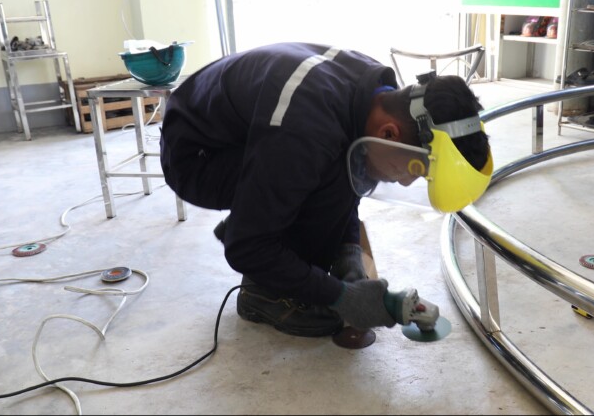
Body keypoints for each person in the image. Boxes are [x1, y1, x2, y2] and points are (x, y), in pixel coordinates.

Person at [159, 42, 492, 337]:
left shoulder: (375, 92)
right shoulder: (305, 130)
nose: (406, 181)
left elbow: (348, 173)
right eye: (416, 170)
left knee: (334, 166)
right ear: (389, 133)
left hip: (243, 135)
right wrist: (338, 296)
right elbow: (243, 248)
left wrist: (346, 247)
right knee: (318, 173)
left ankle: (263, 220)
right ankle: (263, 293)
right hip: (195, 153)